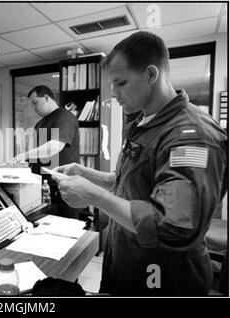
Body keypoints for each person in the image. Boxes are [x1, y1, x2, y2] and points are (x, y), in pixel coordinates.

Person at [52, 31, 228, 295]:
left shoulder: (191, 135)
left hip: (163, 279)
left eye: (121, 83)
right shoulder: (142, 122)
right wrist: (84, 172)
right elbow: (125, 182)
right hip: (126, 265)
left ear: (151, 74)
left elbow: (171, 227)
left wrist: (95, 197)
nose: (113, 93)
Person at [12, 85, 80, 219]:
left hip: (62, 186)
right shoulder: (40, 123)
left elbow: (54, 147)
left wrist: (24, 155)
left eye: (35, 102)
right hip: (43, 187)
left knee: (65, 228)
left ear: (47, 98)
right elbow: (37, 153)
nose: (34, 108)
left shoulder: (64, 118)